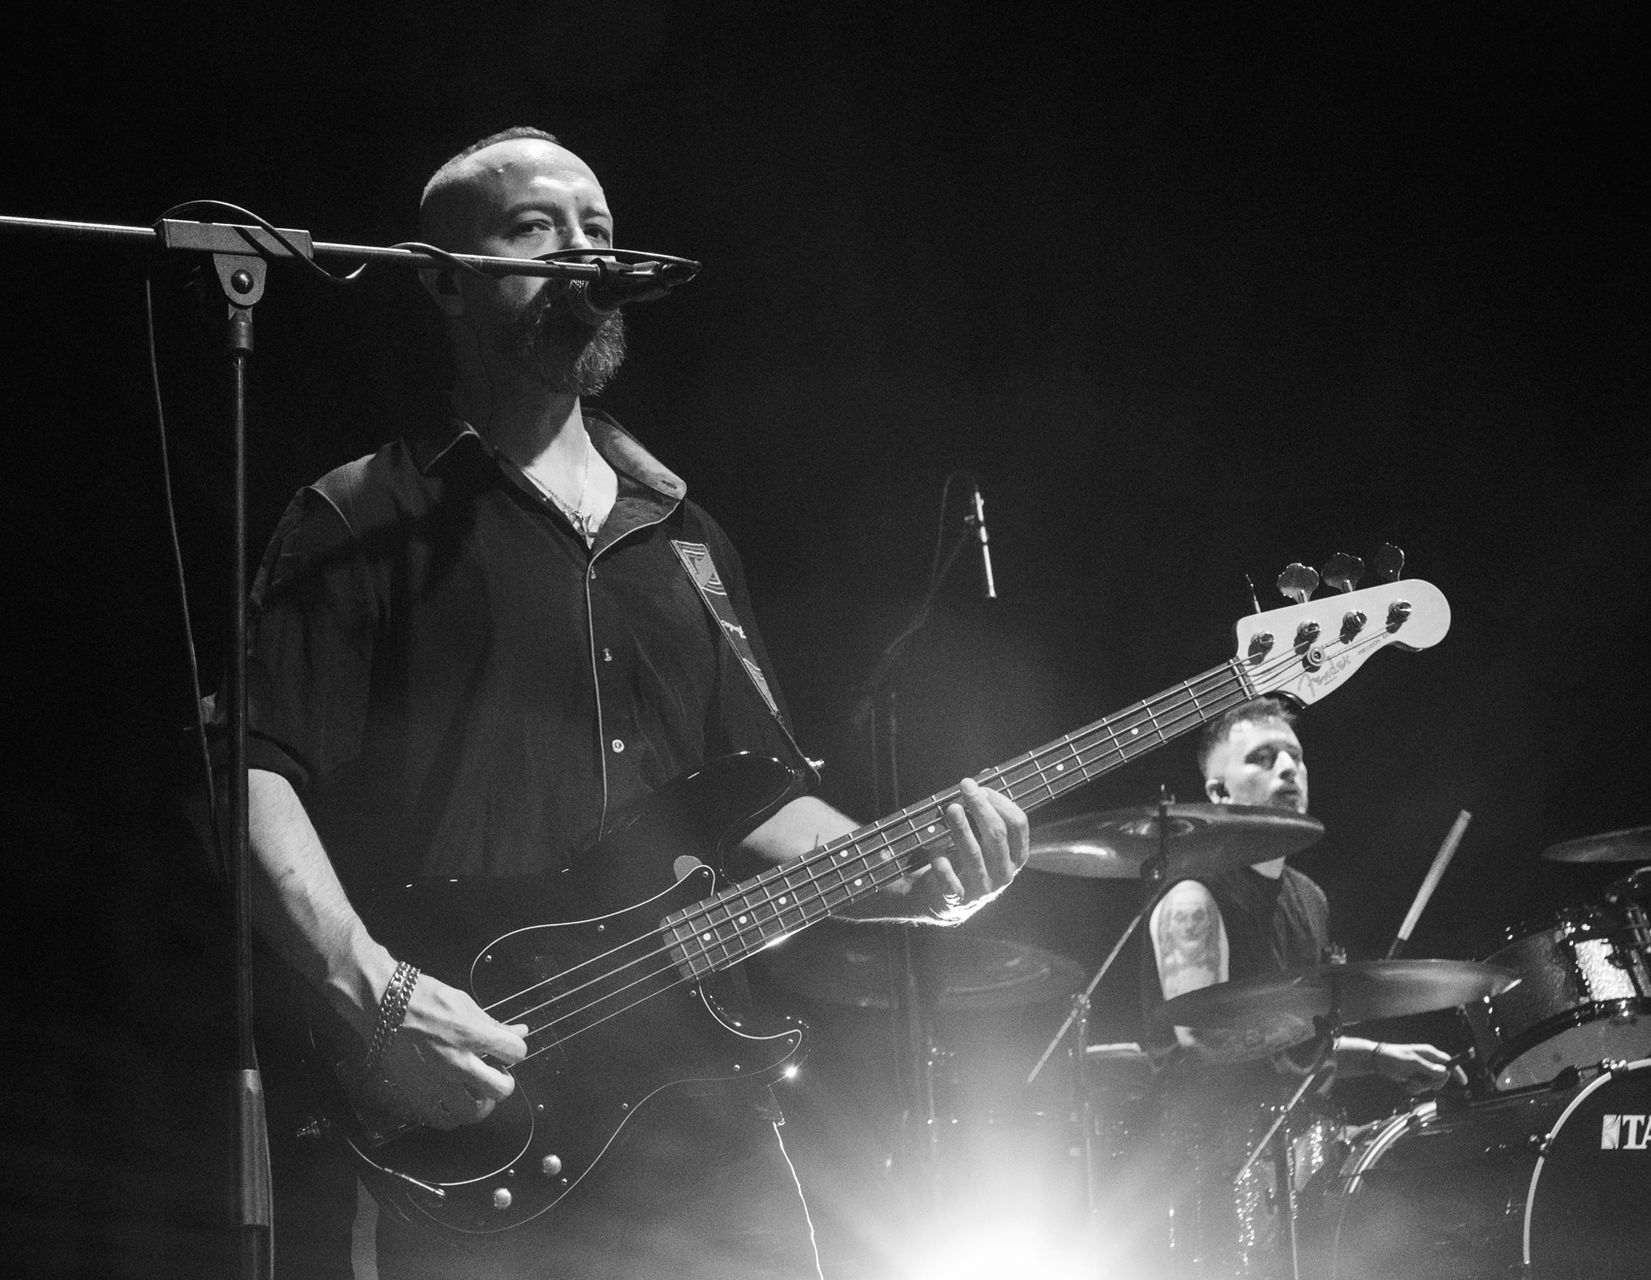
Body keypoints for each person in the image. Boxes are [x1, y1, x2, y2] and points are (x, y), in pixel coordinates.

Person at [240, 126, 1029, 1280]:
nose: (585, 255)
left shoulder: (688, 540)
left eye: (599, 230)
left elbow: (754, 797)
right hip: (478, 1104)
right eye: (536, 228)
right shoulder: (362, 515)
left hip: (703, 1116)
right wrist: (379, 992)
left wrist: (911, 877)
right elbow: (246, 769)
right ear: (444, 281)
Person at [1136, 696, 1451, 1277]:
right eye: (1262, 758)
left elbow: (1292, 1043)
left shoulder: (1310, 897)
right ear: (1218, 792)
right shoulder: (1193, 895)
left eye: (1295, 757)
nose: (1288, 769)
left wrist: (1377, 1056)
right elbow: (1206, 1039)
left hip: (1303, 1154)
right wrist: (1322, 1023)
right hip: (1217, 1170)